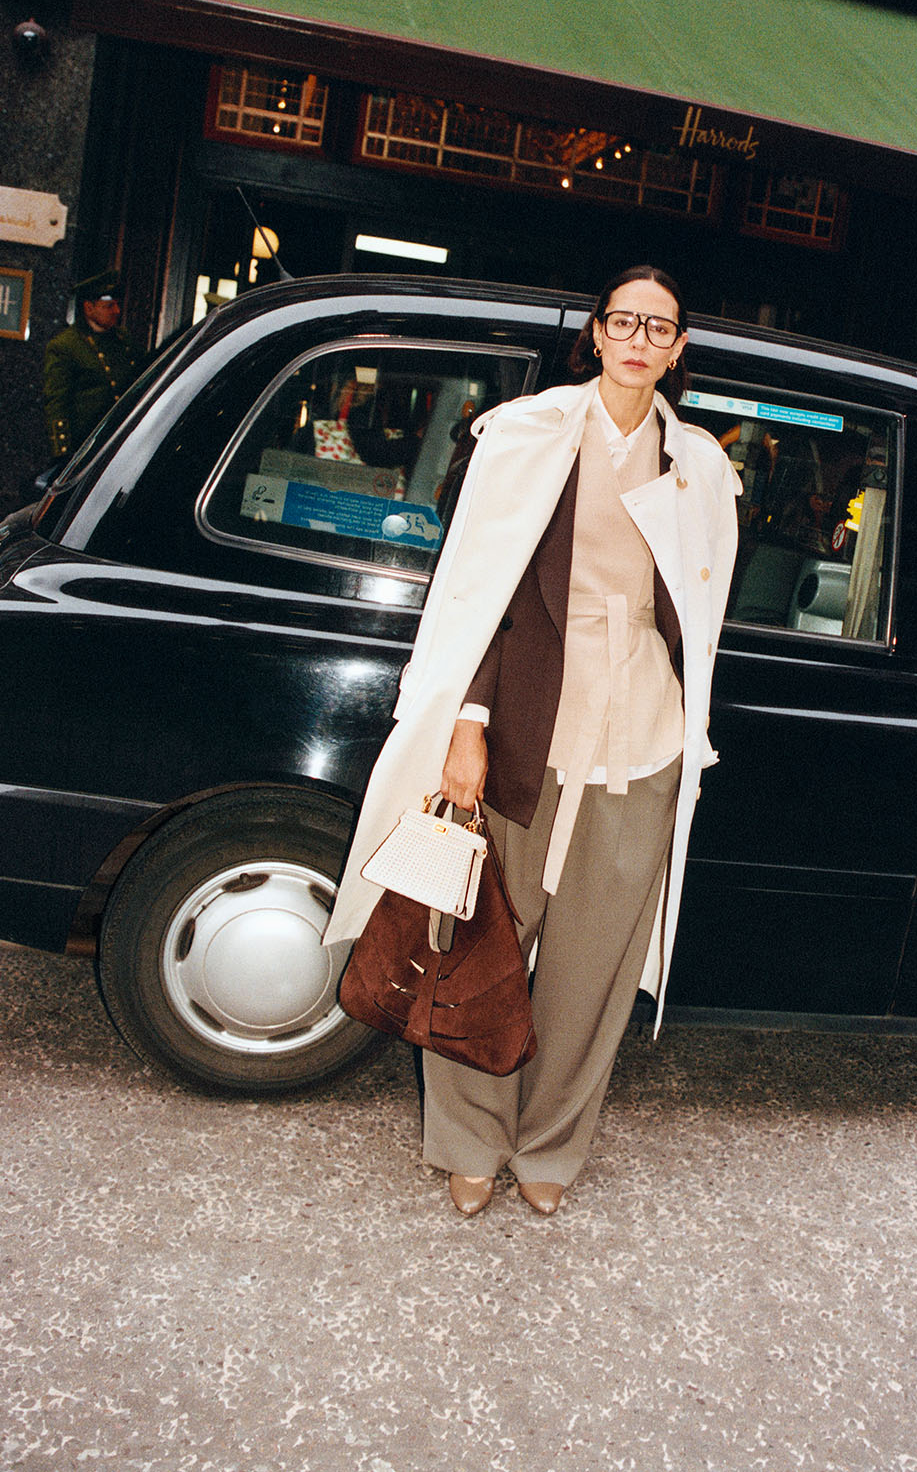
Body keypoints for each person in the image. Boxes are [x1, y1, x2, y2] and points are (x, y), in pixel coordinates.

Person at [324, 266, 741, 1216]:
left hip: (643, 731)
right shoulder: (531, 437)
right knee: (478, 935)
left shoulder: (701, 467)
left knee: (593, 966)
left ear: (679, 351)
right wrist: (466, 724)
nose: (639, 338)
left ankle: (550, 1148)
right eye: (623, 320)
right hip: (525, 716)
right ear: (596, 333)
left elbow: (702, 613)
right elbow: (480, 594)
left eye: (659, 327)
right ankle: (472, 1138)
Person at [43, 270, 144, 460]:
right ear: (89, 308)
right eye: (109, 306)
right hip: (86, 446)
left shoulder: (125, 342)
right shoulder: (66, 345)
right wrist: (63, 454)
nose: (116, 311)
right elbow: (57, 404)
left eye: (117, 305)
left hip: (121, 444)